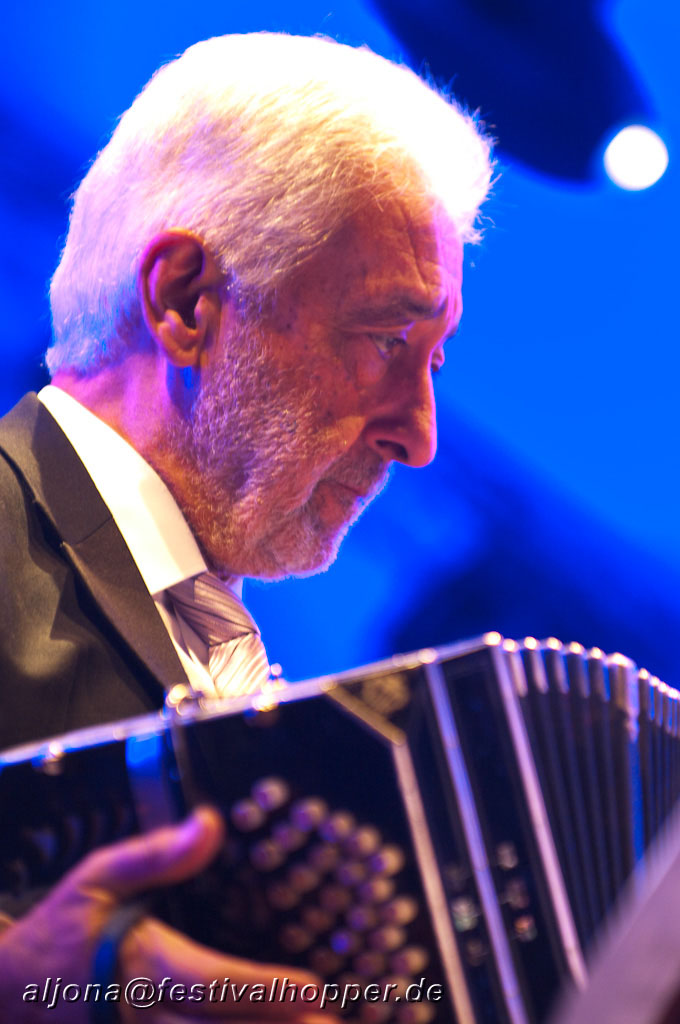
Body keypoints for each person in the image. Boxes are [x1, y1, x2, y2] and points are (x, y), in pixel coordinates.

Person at [0, 32, 493, 1021]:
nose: (418, 436)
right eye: (385, 339)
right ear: (185, 301)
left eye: (430, 361)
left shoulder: (217, 646)